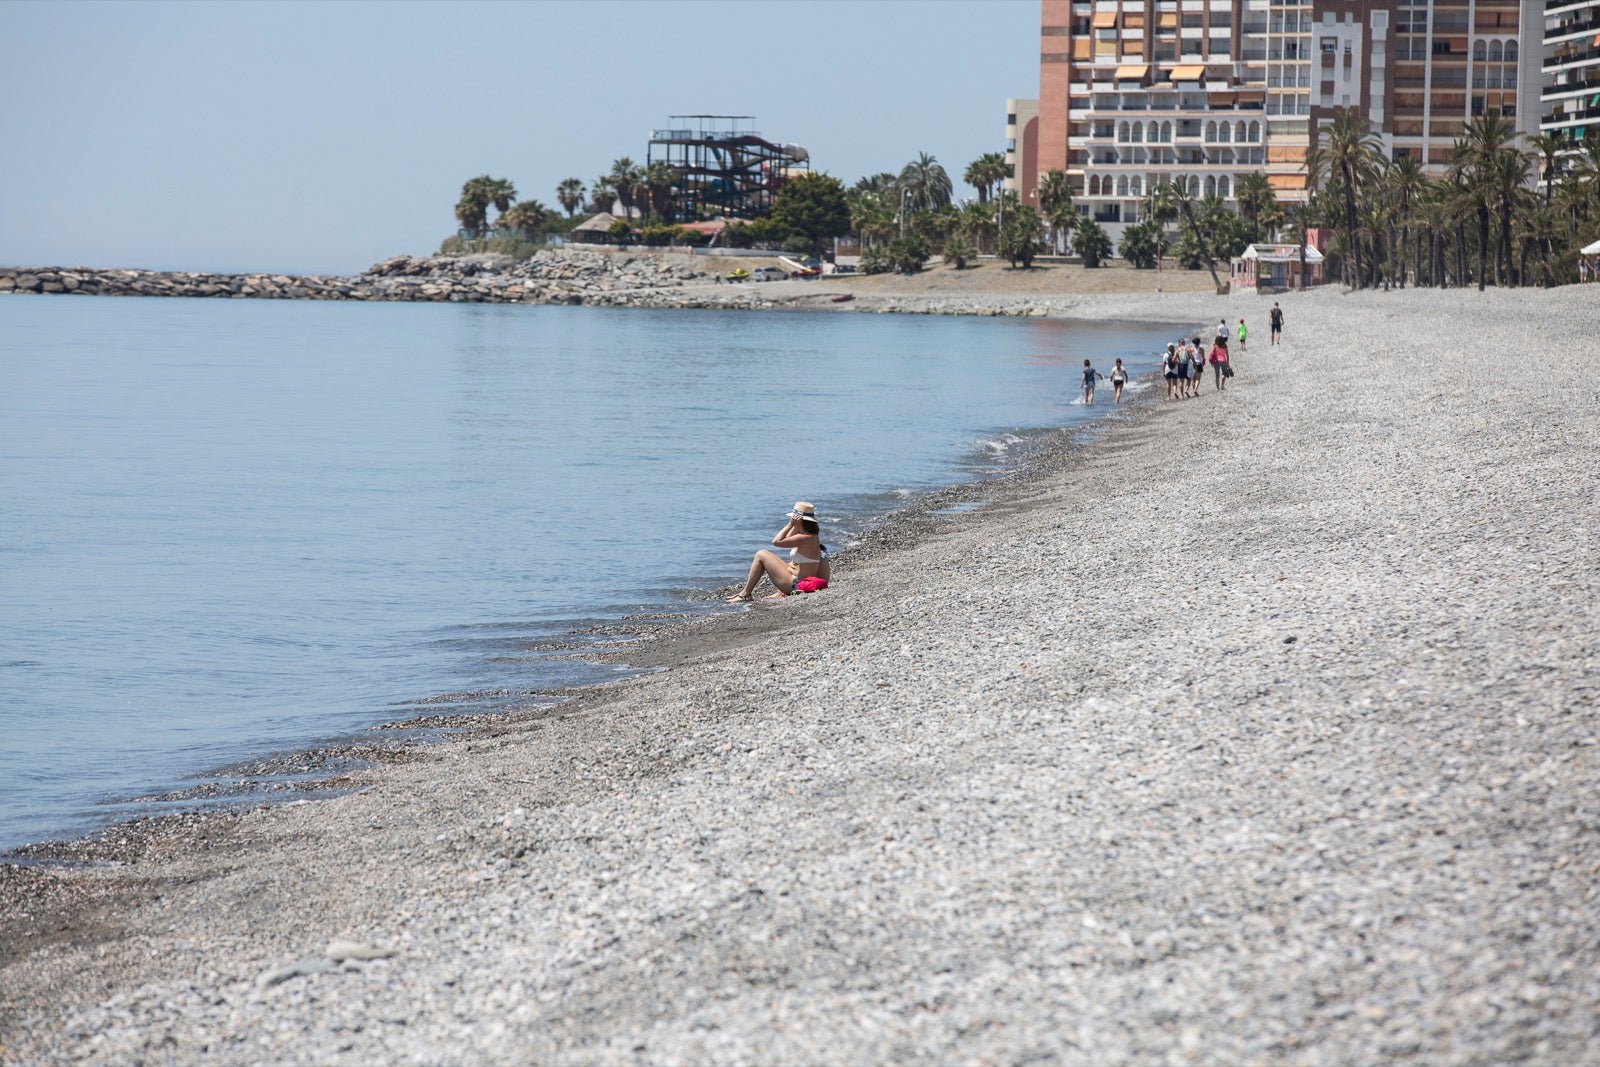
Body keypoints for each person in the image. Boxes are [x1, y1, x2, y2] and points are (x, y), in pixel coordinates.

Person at [726, 501, 830, 602]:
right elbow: (788, 538)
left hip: (797, 585)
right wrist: (795, 525)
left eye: (793, 518)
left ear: (800, 520)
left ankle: (745, 594)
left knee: (761, 554)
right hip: (798, 581)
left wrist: (790, 524)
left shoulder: (806, 537)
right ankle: (779, 592)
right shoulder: (810, 536)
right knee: (789, 564)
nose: (792, 519)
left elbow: (776, 541)